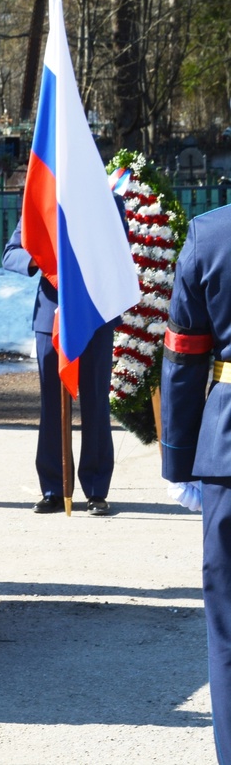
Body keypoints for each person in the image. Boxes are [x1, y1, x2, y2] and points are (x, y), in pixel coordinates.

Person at [161, 203, 231, 762]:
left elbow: (185, 353)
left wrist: (178, 461)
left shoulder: (211, 232)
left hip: (228, 452)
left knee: (230, 629)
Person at [3, 199, 123, 515]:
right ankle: (54, 488)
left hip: (94, 312)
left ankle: (96, 489)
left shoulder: (106, 199)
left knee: (95, 401)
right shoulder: (41, 199)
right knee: (52, 406)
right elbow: (12, 253)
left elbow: (118, 252)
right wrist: (43, 258)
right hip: (50, 317)